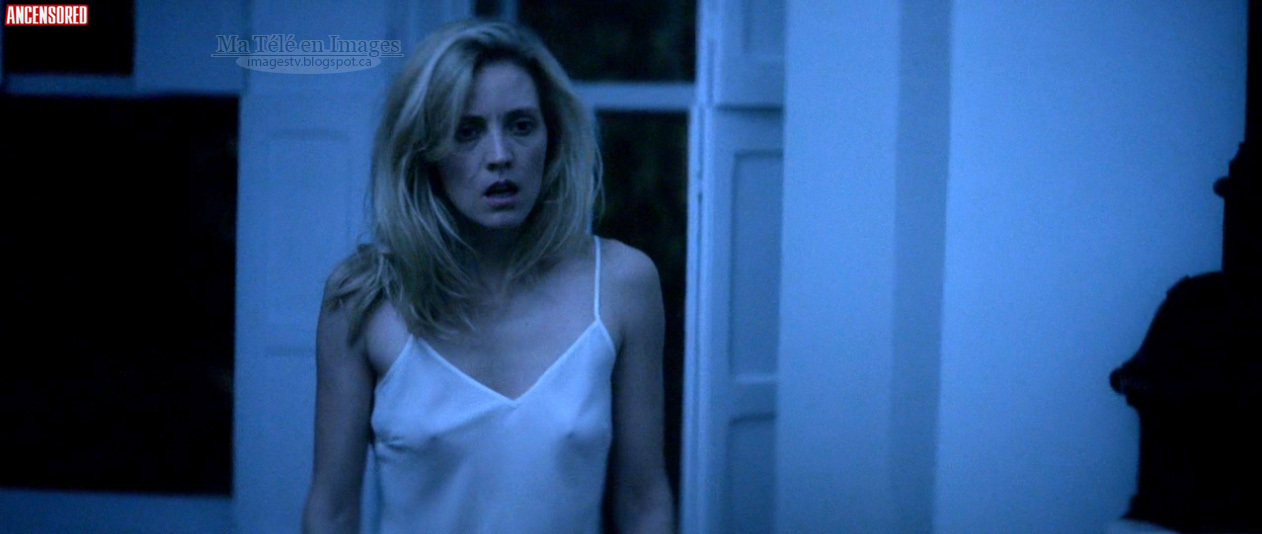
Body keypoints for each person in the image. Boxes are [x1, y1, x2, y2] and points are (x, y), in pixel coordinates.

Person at [301, 19, 675, 534]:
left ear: (553, 138)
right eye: (467, 131)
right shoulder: (365, 298)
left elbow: (644, 502)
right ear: (423, 149)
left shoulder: (620, 284)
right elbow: (332, 510)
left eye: (521, 126)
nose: (500, 157)